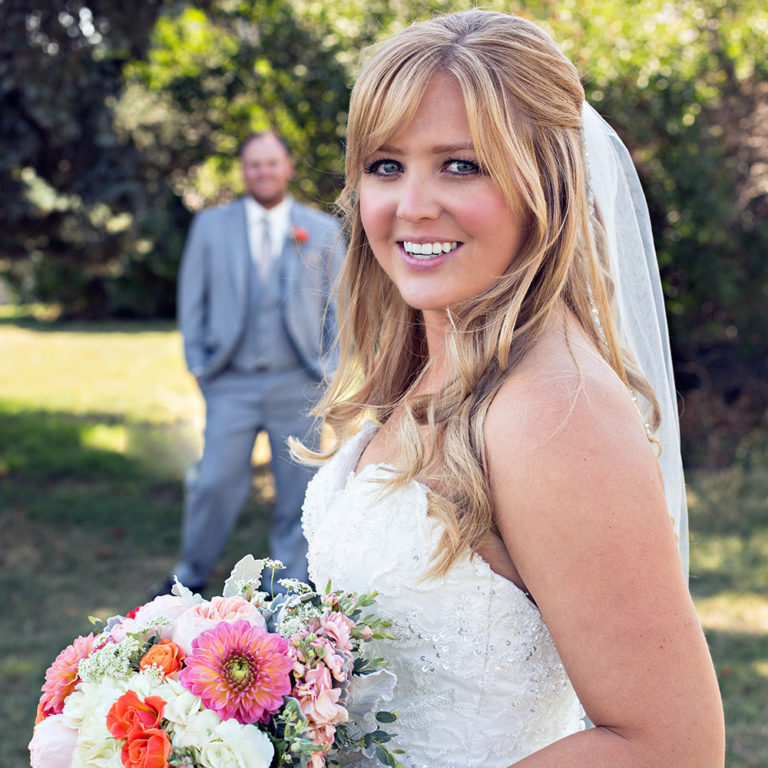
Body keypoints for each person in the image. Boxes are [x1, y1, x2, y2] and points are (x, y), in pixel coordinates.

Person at [298, 10, 724, 767]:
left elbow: (670, 746)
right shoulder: (436, 366)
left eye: (461, 165)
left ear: (544, 185)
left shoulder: (553, 412)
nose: (412, 205)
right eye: (386, 165)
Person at [162, 130, 344, 594]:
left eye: (272, 162)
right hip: (230, 381)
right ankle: (189, 575)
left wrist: (329, 371)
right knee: (214, 483)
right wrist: (200, 366)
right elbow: (193, 300)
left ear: (288, 167)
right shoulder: (211, 226)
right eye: (253, 164)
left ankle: (291, 589)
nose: (263, 172)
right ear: (244, 171)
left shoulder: (320, 229)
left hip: (298, 382)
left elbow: (339, 307)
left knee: (299, 492)